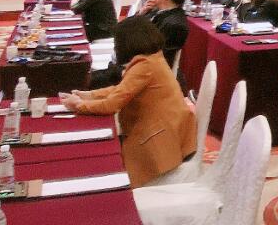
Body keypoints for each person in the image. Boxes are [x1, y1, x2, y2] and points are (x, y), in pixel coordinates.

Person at [63, 18, 195, 187]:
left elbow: (112, 105)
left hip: (157, 141)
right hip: (168, 128)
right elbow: (121, 90)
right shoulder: (153, 57)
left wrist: (79, 105)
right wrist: (88, 95)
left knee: (102, 160)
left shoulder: (144, 66)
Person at [140, 0, 189, 69]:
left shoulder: (175, 25)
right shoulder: (155, 10)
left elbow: (159, 59)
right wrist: (141, 13)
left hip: (148, 69)